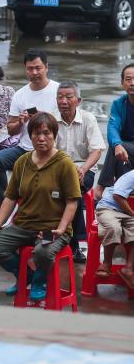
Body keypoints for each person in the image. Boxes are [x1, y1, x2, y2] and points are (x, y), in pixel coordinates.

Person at [0, 113, 81, 301]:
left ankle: (39, 281)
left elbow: (72, 201)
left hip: (52, 228)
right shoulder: (23, 161)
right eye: (36, 133)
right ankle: (25, 274)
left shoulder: (64, 163)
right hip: (23, 226)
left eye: (46, 133)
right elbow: (10, 197)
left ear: (54, 135)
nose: (41, 138)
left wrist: (61, 229)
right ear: (30, 136)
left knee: (42, 252)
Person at [0, 49, 59, 206]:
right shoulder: (20, 94)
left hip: (53, 148)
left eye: (38, 68)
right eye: (30, 68)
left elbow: (67, 121)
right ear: (25, 69)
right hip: (25, 149)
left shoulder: (59, 91)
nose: (34, 72)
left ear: (46, 67)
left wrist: (43, 118)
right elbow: (11, 129)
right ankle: (3, 204)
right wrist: (20, 122)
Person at [56, 80, 104, 262]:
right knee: (60, 189)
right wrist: (66, 167)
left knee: (73, 187)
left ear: (78, 100)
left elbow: (97, 150)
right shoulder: (51, 119)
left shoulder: (88, 119)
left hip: (84, 169)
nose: (63, 101)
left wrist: (83, 168)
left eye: (68, 97)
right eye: (60, 97)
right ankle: (71, 240)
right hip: (59, 167)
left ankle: (74, 242)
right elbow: (48, 150)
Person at [93, 169, 134, 291]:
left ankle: (128, 269)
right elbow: (117, 196)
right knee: (113, 227)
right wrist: (132, 214)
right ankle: (107, 263)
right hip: (109, 208)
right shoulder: (131, 176)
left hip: (127, 212)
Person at [99, 63, 134, 192]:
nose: (132, 83)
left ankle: (101, 188)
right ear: (122, 83)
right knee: (117, 148)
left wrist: (118, 144)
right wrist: (117, 144)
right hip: (127, 152)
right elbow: (112, 127)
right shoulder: (119, 104)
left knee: (116, 146)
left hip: (127, 148)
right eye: (128, 79)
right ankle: (121, 192)